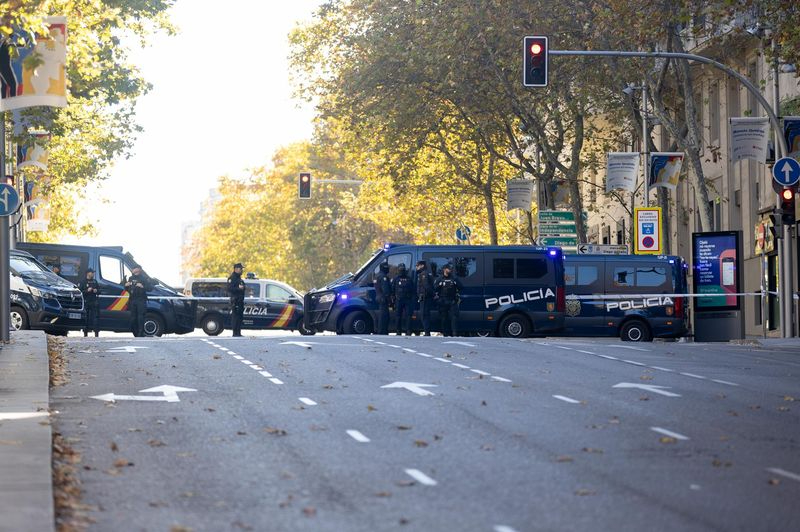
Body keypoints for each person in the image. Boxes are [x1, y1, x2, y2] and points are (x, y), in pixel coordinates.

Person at [434, 263, 463, 337]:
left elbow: (461, 287)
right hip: (443, 300)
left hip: (452, 300)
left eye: (450, 269)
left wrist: (456, 283)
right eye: (448, 269)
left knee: (454, 317)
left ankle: (454, 333)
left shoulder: (454, 278)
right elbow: (434, 288)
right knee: (444, 318)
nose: (450, 270)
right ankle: (445, 334)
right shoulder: (440, 279)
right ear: (444, 269)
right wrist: (440, 285)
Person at [125, 264, 153, 337]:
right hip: (133, 299)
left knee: (140, 317)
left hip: (141, 299)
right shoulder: (130, 278)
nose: (135, 270)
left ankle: (141, 332)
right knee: (133, 318)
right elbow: (127, 290)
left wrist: (142, 286)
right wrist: (126, 286)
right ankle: (136, 332)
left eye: (137, 269)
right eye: (134, 269)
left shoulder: (144, 278)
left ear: (140, 270)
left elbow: (150, 288)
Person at [391, 263, 414, 335]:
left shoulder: (397, 279)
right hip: (402, 299)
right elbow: (393, 289)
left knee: (404, 316)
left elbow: (392, 289)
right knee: (402, 316)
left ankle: (402, 331)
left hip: (403, 300)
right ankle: (404, 330)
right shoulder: (406, 278)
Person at [78, 268, 100, 337]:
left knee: (95, 318)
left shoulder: (95, 281)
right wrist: (87, 290)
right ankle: (85, 334)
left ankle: (96, 334)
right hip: (86, 301)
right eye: (92, 272)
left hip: (94, 301)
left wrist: (96, 290)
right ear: (88, 273)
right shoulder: (83, 281)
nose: (93, 274)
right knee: (86, 318)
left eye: (93, 272)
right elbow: (80, 292)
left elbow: (99, 290)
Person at [415, 260, 434, 336]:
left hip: (425, 297)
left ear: (422, 266)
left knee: (424, 315)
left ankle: (427, 332)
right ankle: (427, 331)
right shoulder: (425, 273)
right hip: (425, 297)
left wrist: (433, 294)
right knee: (425, 314)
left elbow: (426, 286)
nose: (416, 267)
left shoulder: (423, 274)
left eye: (417, 265)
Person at [227, 262, 246, 337]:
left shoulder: (239, 278)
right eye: (241, 269)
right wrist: (239, 289)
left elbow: (243, 287)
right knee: (235, 317)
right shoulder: (232, 278)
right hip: (235, 300)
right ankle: (235, 333)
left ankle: (238, 332)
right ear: (236, 269)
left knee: (240, 317)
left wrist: (243, 288)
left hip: (240, 300)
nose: (242, 270)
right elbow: (229, 288)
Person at [373, 262, 391, 334]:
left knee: (381, 314)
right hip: (383, 298)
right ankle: (382, 331)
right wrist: (389, 297)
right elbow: (385, 289)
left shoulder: (376, 276)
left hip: (378, 296)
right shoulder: (383, 277)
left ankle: (381, 330)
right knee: (384, 315)